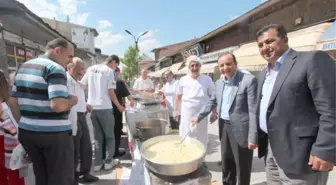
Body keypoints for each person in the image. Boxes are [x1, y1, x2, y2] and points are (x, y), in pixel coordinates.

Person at [256, 24, 336, 185]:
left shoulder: (311, 60)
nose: (265, 47)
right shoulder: (263, 74)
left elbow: (330, 109)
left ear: (285, 40)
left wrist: (325, 149)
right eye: (260, 45)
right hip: (271, 150)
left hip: (302, 154)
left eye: (269, 41)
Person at [9, 38, 77, 185]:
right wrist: (72, 101)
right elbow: (57, 105)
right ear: (57, 51)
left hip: (28, 133)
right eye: (69, 56)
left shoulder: (23, 67)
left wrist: (25, 123)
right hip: (54, 136)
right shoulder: (55, 69)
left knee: (41, 176)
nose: (70, 61)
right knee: (60, 179)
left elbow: (13, 102)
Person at [192, 53, 258, 185]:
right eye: (221, 65)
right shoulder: (219, 82)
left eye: (228, 64)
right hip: (224, 127)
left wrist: (253, 137)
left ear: (235, 64)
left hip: (241, 128)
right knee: (227, 162)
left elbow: (253, 111)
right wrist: (199, 117)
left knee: (242, 165)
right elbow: (212, 102)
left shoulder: (248, 80)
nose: (225, 67)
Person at [80, 55, 125, 172]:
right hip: (105, 107)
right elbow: (111, 91)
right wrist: (119, 106)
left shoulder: (91, 68)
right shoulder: (109, 71)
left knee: (98, 138)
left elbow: (82, 85)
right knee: (110, 136)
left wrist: (91, 96)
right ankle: (108, 162)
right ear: (113, 62)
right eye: (116, 66)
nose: (115, 68)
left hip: (93, 108)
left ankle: (98, 164)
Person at [67, 58, 99, 184]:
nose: (82, 72)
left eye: (83, 69)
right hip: (71, 118)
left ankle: (85, 174)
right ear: (70, 67)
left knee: (86, 147)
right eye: (79, 68)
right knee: (74, 151)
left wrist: (85, 105)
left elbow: (79, 99)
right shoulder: (66, 81)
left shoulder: (78, 82)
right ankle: (74, 178)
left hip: (81, 116)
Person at [174, 55, 215, 149]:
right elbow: (178, 96)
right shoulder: (182, 80)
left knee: (200, 137)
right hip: (186, 114)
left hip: (201, 114)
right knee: (186, 135)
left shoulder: (207, 79)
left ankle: (201, 160)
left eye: (197, 65)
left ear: (200, 66)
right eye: (192, 66)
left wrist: (214, 112)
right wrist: (175, 110)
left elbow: (213, 97)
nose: (194, 68)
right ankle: (186, 157)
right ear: (189, 68)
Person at [0, 70, 26, 185]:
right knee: (13, 174)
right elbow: (12, 129)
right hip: (6, 142)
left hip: (5, 141)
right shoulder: (3, 105)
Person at [112, 67, 133, 158]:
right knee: (116, 131)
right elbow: (128, 96)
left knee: (109, 133)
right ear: (118, 73)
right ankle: (115, 151)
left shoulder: (104, 82)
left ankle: (107, 152)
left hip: (106, 109)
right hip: (117, 109)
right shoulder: (119, 82)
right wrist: (132, 103)